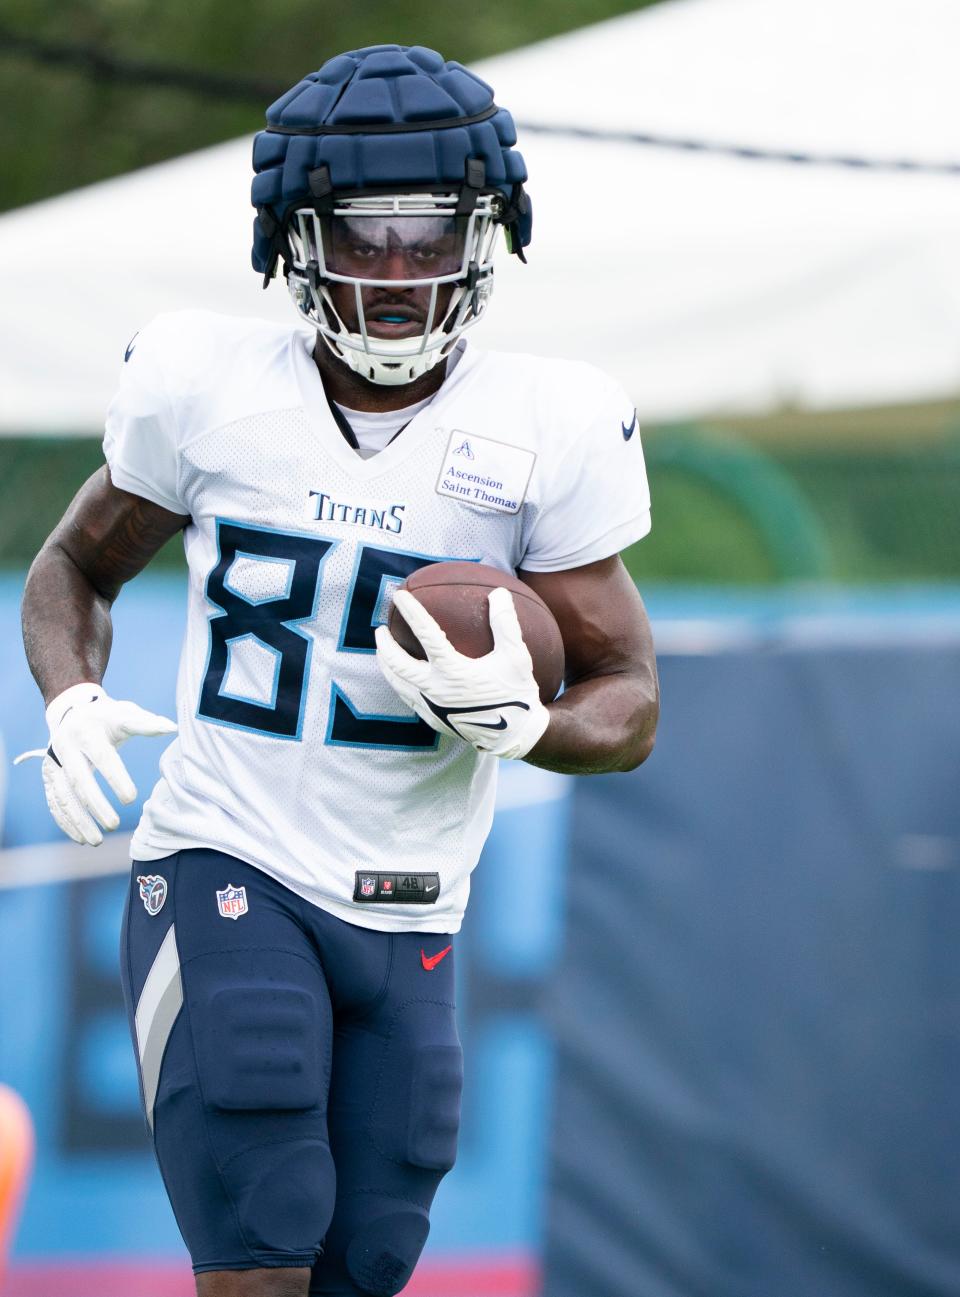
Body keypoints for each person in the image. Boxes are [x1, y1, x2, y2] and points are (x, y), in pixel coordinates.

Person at [19, 44, 659, 1297]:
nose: (396, 272)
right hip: (231, 856)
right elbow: (74, 569)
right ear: (292, 239)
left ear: (489, 238)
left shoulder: (550, 423)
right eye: (362, 237)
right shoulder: (207, 387)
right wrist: (73, 694)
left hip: (415, 900)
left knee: (368, 1255)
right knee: (268, 1224)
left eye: (429, 236)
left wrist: (529, 722)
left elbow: (629, 698)